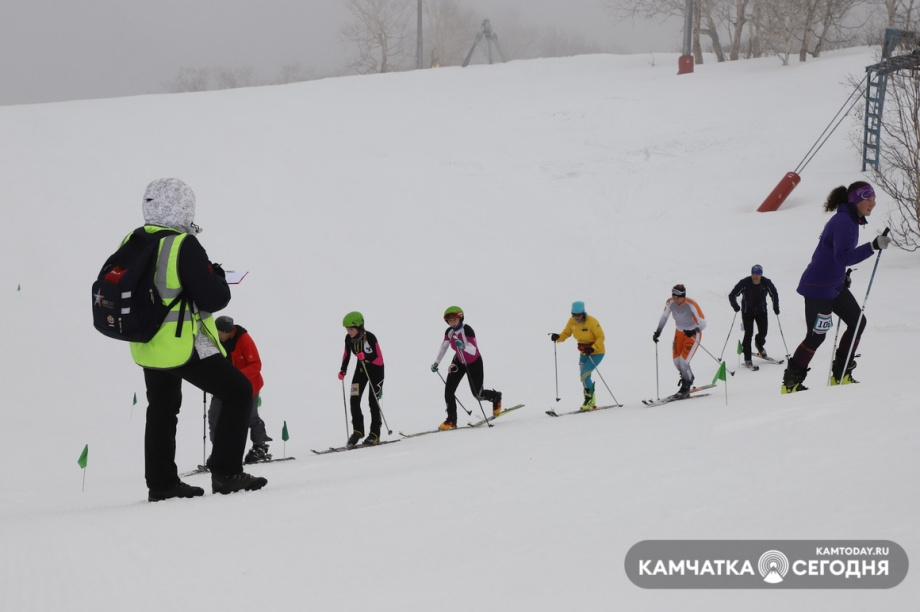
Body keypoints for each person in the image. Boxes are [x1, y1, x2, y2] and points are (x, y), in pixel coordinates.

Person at [128, 178, 267, 501]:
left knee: (162, 408)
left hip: (147, 343)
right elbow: (214, 299)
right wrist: (215, 276)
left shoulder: (135, 239)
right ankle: (227, 472)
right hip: (181, 341)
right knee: (238, 391)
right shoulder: (182, 244)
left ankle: (161, 484)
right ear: (183, 207)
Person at [782, 181, 890, 393]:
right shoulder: (844, 221)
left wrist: (841, 275)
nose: (873, 203)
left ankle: (841, 374)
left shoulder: (851, 219)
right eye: (868, 198)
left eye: (874, 198)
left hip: (834, 284)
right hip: (818, 288)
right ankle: (791, 383)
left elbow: (832, 256)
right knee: (816, 336)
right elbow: (842, 257)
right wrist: (872, 246)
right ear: (855, 199)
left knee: (857, 322)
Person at [208, 316, 272, 463]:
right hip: (224, 385)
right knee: (214, 417)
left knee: (249, 417)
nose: (218, 335)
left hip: (248, 385)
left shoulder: (244, 340)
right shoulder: (215, 340)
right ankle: (219, 452)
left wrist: (237, 376)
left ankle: (260, 446)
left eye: (220, 333)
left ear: (229, 332)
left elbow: (256, 365)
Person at [431, 306, 502, 429]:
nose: (452, 322)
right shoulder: (449, 332)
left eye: (454, 319)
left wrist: (464, 346)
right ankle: (451, 420)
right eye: (449, 320)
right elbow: (444, 347)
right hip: (459, 362)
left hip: (474, 362)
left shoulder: (467, 330)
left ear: (460, 318)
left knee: (478, 394)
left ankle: (495, 397)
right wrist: (436, 363)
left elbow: (473, 350)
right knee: (449, 391)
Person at [339, 311, 385, 447]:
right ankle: (358, 431)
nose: (349, 332)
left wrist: (365, 357)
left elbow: (379, 357)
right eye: (347, 329)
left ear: (359, 327)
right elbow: (346, 354)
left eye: (351, 329)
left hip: (376, 370)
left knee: (373, 401)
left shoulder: (370, 337)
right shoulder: (348, 339)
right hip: (361, 370)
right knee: (354, 399)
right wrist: (343, 369)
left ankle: (375, 433)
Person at [652, 284, 707, 399]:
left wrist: (694, 331)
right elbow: (664, 317)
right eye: (673, 295)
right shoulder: (670, 302)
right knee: (677, 362)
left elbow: (703, 323)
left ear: (683, 296)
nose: (675, 298)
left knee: (684, 362)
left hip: (692, 334)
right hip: (679, 333)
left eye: (677, 296)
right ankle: (688, 376)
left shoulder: (691, 304)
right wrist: (658, 332)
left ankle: (686, 386)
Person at [550, 301, 605, 410]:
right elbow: (566, 333)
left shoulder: (592, 321)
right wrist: (558, 337)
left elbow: (601, 337)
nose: (576, 317)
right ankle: (591, 399)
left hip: (596, 352)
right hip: (584, 353)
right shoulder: (571, 321)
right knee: (583, 377)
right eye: (574, 315)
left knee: (584, 374)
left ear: (583, 312)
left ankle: (589, 399)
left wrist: (593, 348)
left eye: (578, 315)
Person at [728, 264, 780, 367]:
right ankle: (747, 358)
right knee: (748, 334)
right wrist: (735, 306)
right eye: (753, 274)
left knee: (763, 332)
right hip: (747, 312)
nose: (755, 276)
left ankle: (759, 344)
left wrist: (775, 307)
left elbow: (774, 294)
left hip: (761, 311)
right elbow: (732, 295)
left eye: (757, 274)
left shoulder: (766, 282)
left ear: (761, 275)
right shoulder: (744, 282)